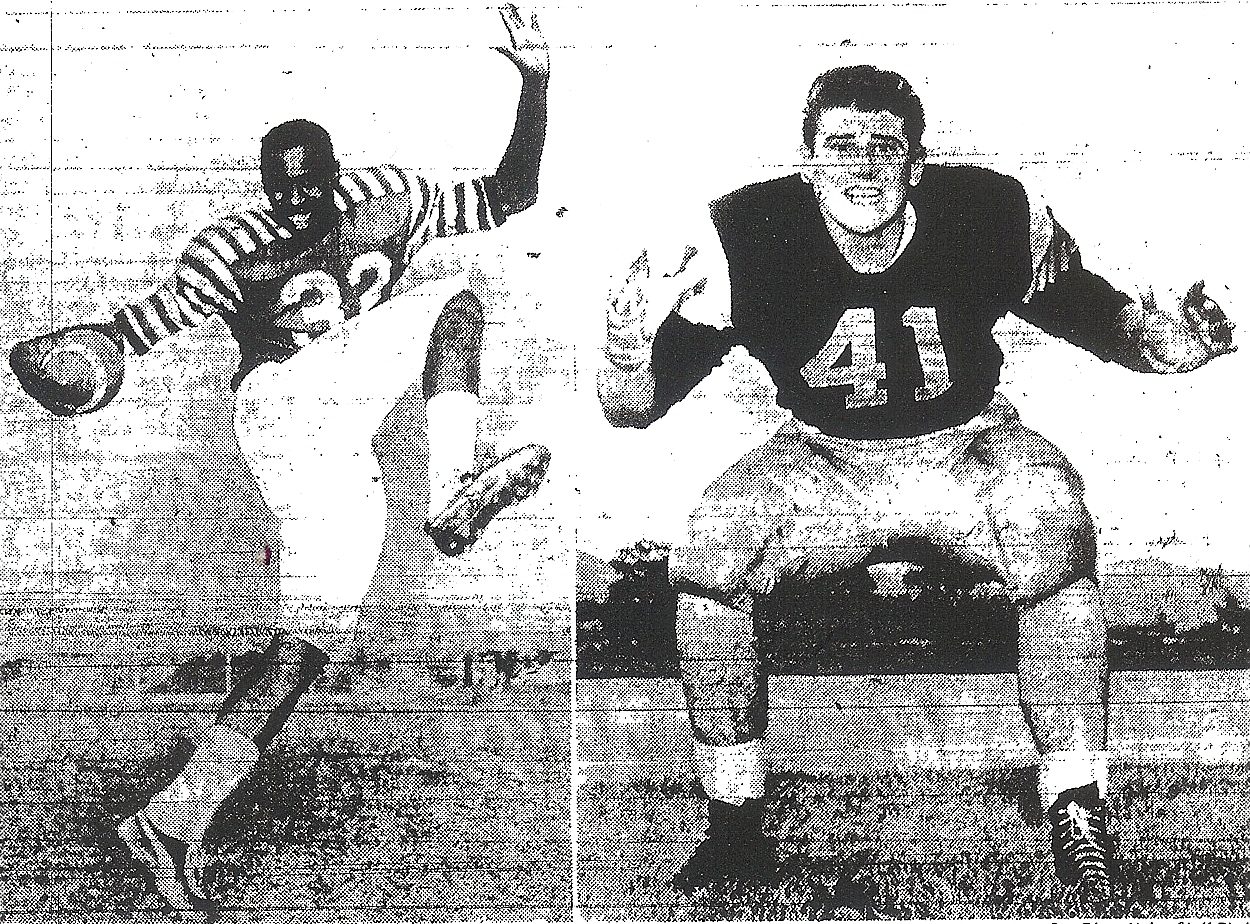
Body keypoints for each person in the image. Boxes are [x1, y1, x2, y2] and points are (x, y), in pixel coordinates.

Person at [597, 64, 1235, 904]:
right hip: (824, 457)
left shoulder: (986, 215)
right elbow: (632, 410)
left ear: (918, 166)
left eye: (884, 149)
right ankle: (735, 824)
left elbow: (1094, 312)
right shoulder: (747, 235)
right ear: (806, 162)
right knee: (713, 553)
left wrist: (1164, 343)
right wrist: (621, 346)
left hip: (966, 445)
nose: (862, 168)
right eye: (840, 149)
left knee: (1052, 525)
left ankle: (1077, 809)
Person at [9, 6, 550, 911]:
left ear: (333, 175)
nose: (296, 204)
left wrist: (537, 85)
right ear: (266, 186)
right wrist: (87, 355)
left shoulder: (388, 194)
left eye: (309, 187)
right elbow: (143, 325)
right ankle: (458, 477)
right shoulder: (231, 246)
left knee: (307, 645)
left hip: (333, 451)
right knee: (455, 298)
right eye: (281, 191)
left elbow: (508, 198)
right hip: (281, 405)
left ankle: (170, 819)